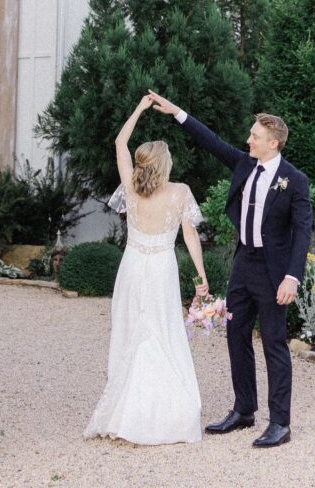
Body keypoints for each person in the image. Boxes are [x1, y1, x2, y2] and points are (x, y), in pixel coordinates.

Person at [148, 89, 312, 448]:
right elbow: (211, 141)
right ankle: (244, 410)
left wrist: (292, 276)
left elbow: (303, 232)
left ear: (273, 142)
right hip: (243, 265)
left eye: (254, 136)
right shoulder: (244, 164)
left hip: (274, 272)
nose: (247, 139)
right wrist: (177, 112)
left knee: (273, 343)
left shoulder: (294, 180)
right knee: (236, 337)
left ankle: (281, 423)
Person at [84, 95, 208, 445]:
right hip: (162, 270)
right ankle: (162, 412)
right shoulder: (181, 192)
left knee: (132, 332)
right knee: (162, 331)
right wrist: (201, 275)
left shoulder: (130, 186)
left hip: (133, 267)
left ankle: (128, 412)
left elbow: (120, 142)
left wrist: (138, 108)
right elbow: (190, 236)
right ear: (165, 165)